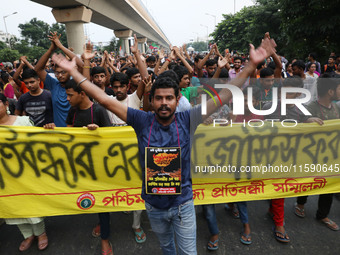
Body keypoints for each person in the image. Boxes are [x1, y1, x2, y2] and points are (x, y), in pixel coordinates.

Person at [51, 36, 277, 254]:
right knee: (168, 248)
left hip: (183, 206)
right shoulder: (141, 120)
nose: (163, 103)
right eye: (158, 98)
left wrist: (251, 66)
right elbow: (104, 99)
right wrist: (73, 72)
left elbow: (225, 95)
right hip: (153, 207)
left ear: (177, 99)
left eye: (169, 98)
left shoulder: (189, 119)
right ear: (152, 99)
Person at [0, 93, 48, 251]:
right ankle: (27, 235)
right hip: (5, 178)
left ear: (6, 104)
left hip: (27, 173)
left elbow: (37, 144)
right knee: (14, 206)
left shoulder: (23, 121)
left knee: (32, 203)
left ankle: (40, 233)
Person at [294, 75, 340, 231]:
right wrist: (307, 122)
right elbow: (297, 127)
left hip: (332, 155)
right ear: (330, 91)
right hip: (312, 154)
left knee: (329, 184)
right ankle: (300, 203)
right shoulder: (310, 108)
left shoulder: (337, 108)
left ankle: (323, 215)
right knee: (308, 180)